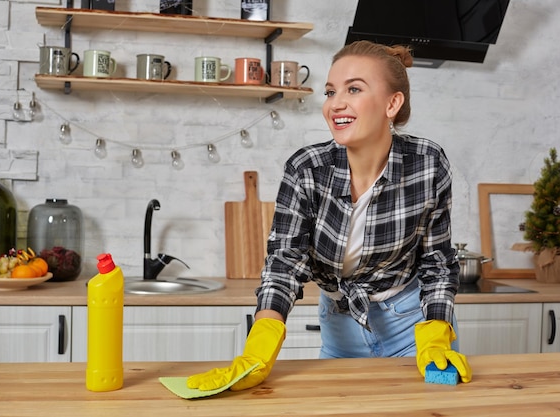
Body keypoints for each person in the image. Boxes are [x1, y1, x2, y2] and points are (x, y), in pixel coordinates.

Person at [187, 40, 472, 392]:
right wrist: (261, 340)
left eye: (354, 89)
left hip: (414, 326)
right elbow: (285, 263)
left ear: (392, 103)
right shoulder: (307, 169)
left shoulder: (427, 163)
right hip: (341, 326)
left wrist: (436, 332)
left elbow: (437, 262)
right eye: (330, 91)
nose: (336, 104)